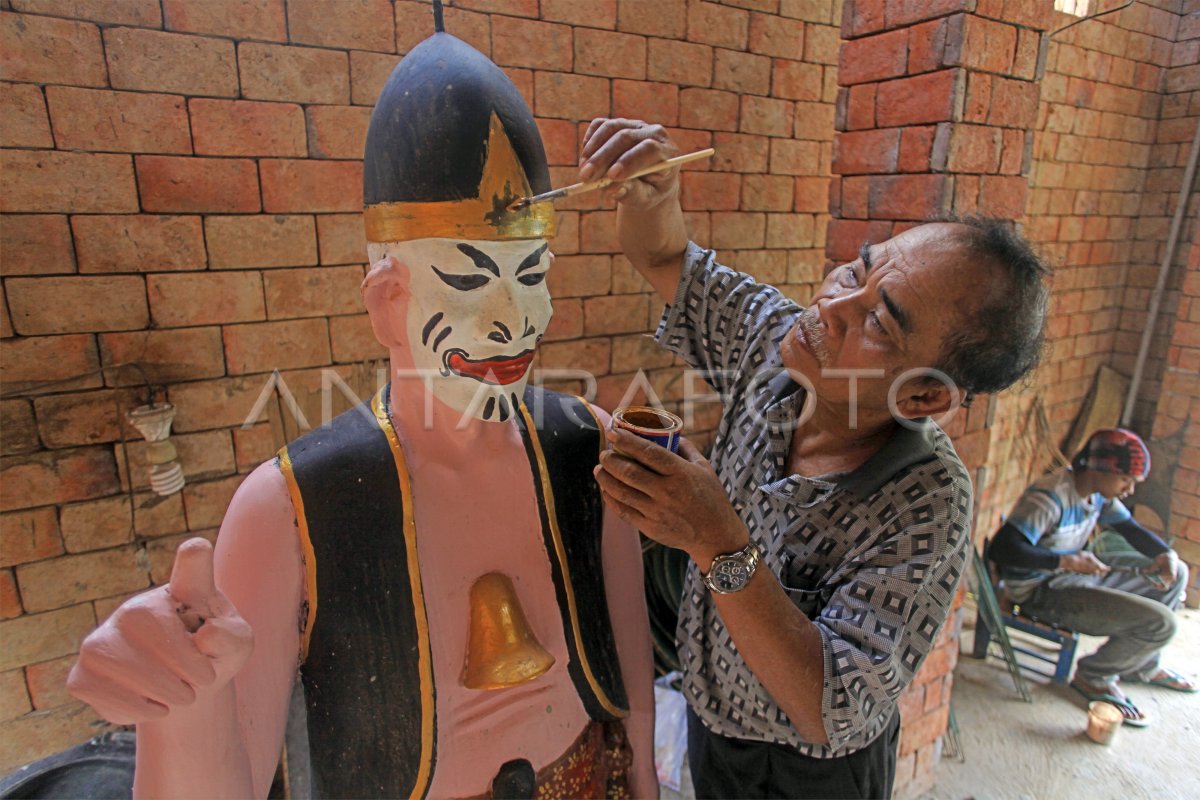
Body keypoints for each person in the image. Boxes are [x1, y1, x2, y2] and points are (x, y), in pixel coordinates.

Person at [66, 12, 656, 799]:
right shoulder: (287, 509)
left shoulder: (588, 444)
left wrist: (645, 784)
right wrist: (185, 710)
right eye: (472, 280)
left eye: (534, 273)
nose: (514, 317)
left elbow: (636, 679)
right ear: (385, 301)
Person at [582, 118, 1051, 799]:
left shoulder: (926, 503)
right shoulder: (779, 348)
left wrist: (717, 541)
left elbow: (834, 708)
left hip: (807, 776)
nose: (831, 304)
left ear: (922, 395)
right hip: (717, 736)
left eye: (878, 321)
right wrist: (651, 195)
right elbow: (667, 260)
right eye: (856, 271)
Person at [989, 427, 1194, 726]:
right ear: (1101, 468)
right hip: (1042, 591)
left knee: (1178, 574)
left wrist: (1166, 555)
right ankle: (1093, 676)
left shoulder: (1097, 496)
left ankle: (1141, 666)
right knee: (1162, 624)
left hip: (1075, 575)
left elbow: (1131, 530)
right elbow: (1003, 549)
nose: (1130, 489)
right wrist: (1066, 560)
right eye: (1126, 480)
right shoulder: (1051, 497)